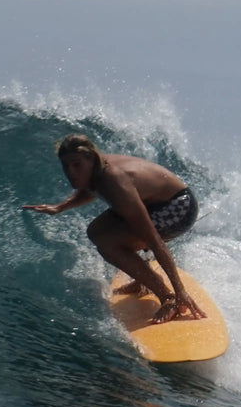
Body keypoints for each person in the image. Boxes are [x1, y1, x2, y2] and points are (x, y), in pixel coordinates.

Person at [23, 134, 204, 324]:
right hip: (155, 202)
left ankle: (168, 298)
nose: (71, 172)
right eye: (66, 166)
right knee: (96, 232)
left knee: (109, 244)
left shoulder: (115, 182)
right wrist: (60, 207)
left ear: (90, 158)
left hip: (179, 207)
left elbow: (154, 241)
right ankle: (145, 282)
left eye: (76, 164)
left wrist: (180, 291)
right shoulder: (96, 170)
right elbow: (89, 188)